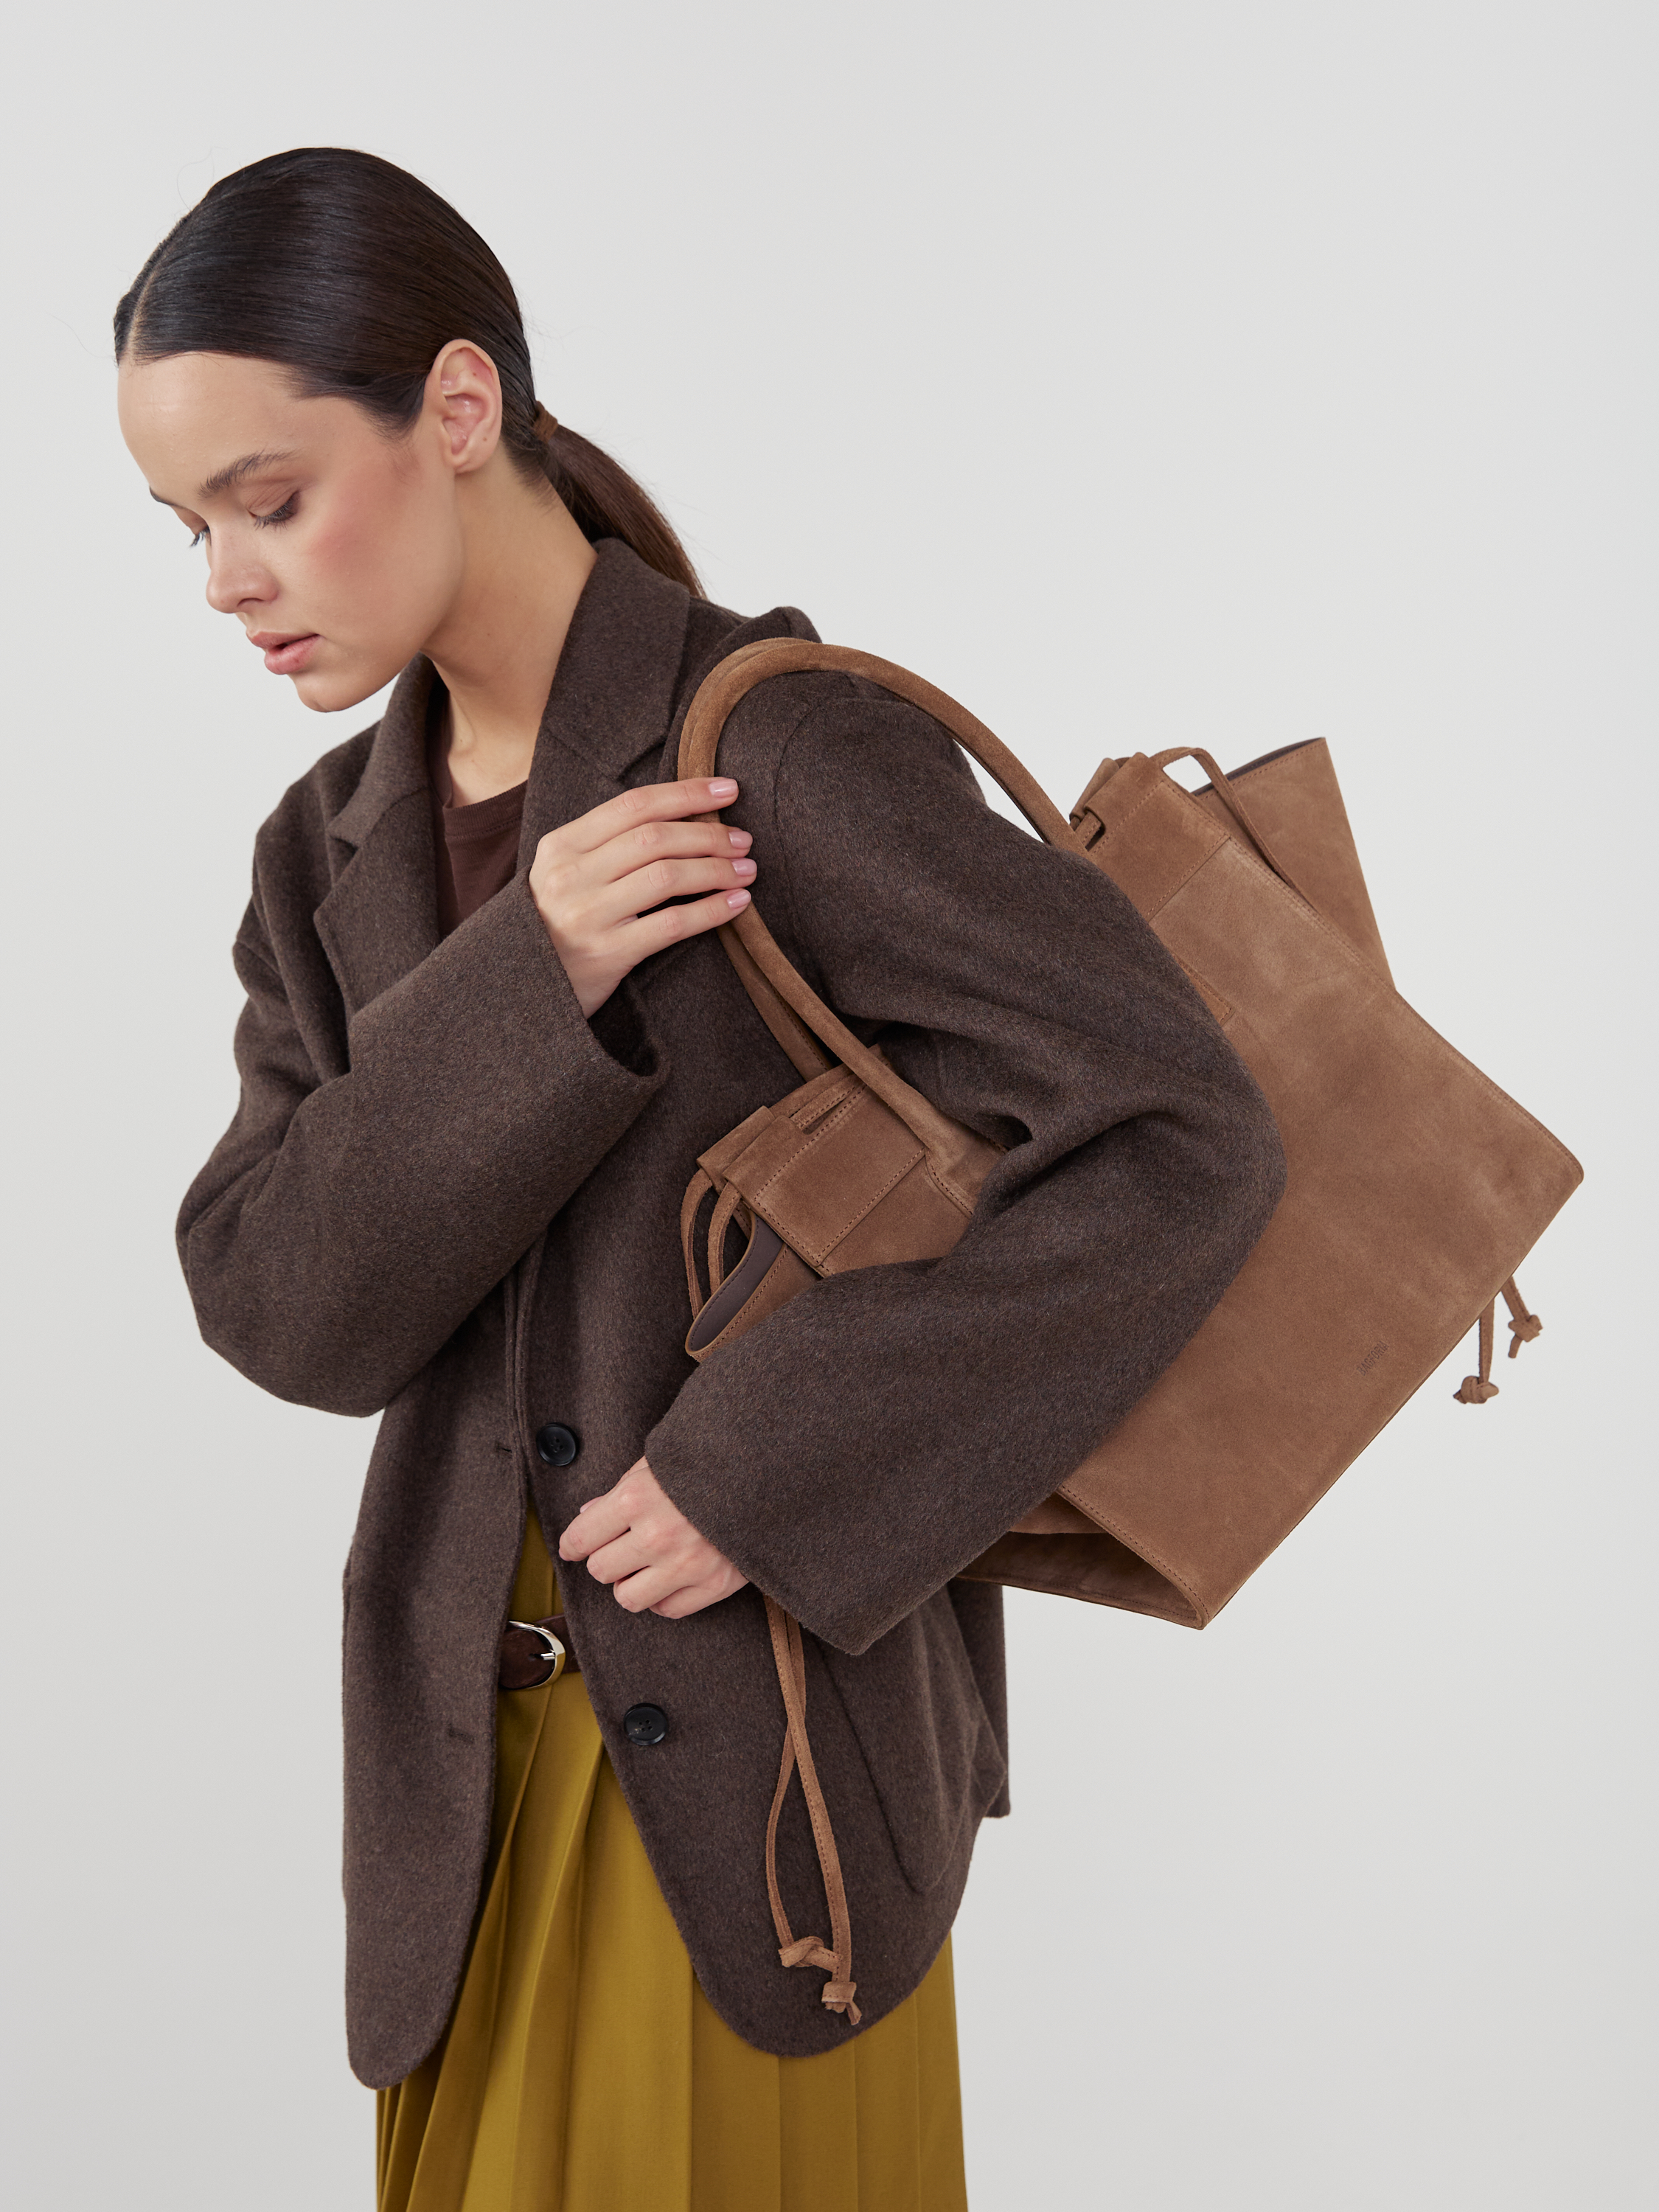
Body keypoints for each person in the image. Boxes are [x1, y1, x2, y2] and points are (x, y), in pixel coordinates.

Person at [115, 146, 1285, 2211]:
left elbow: (1177, 1135)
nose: (224, 577)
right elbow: (284, 1309)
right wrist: (534, 974)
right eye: (186, 524)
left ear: (457, 407)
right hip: (462, 1817)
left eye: (267, 497)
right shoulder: (325, 852)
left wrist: (769, 1464)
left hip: (763, 1802)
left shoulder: (778, 747)